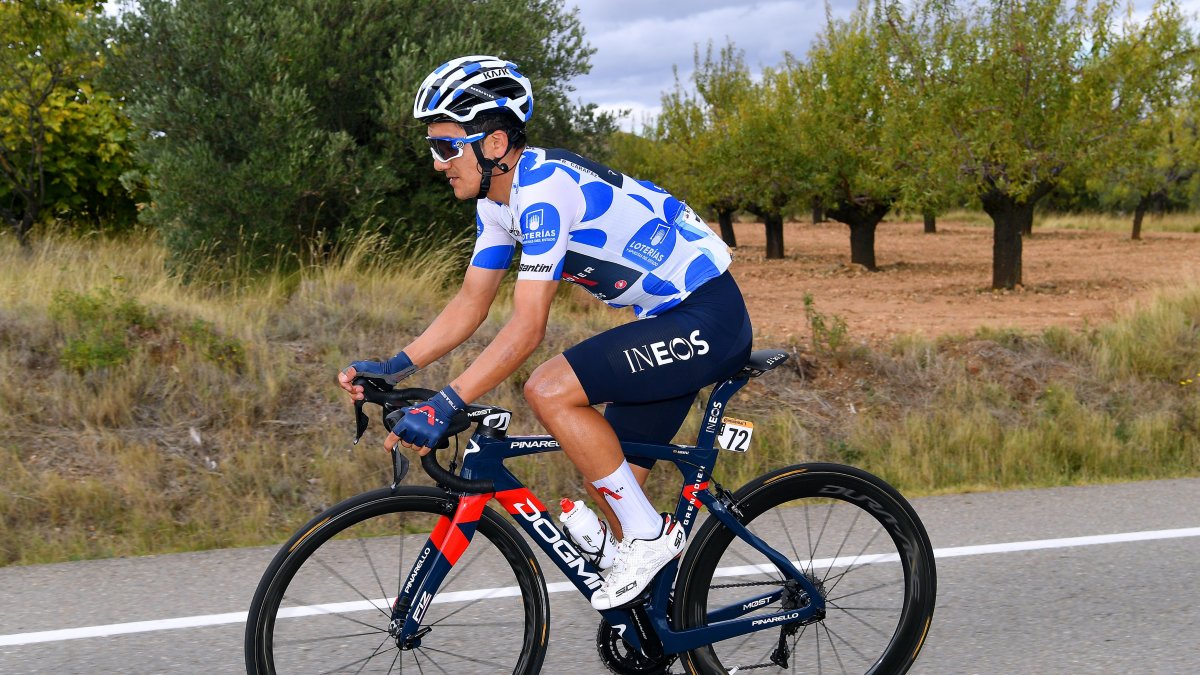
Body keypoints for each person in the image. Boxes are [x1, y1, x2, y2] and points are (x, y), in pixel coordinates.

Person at [338, 55, 752, 610]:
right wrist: (395, 366)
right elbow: (471, 302)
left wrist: (445, 403)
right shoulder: (496, 201)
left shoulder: (545, 190)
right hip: (666, 322)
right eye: (432, 148)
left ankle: (652, 541)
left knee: (549, 387)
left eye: (445, 147)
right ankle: (663, 630)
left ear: (494, 143)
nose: (438, 164)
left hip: (708, 316)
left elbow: (528, 328)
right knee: (609, 480)